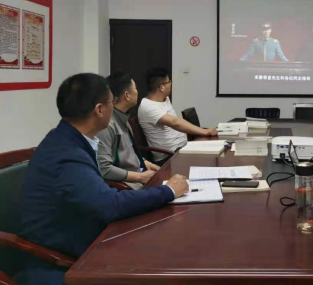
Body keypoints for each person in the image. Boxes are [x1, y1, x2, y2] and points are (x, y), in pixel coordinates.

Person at [16, 73, 189, 285]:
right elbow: (109, 205)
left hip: (79, 239)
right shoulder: (67, 154)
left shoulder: (66, 137)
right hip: (56, 262)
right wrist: (168, 191)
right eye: (111, 102)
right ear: (100, 110)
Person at [138, 67, 217, 162]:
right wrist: (203, 131)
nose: (171, 84)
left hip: (182, 148)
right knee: (209, 160)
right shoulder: (147, 106)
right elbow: (174, 122)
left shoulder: (165, 99)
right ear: (162, 87)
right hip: (168, 156)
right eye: (169, 82)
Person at [97, 72, 159, 190]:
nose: (137, 91)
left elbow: (128, 153)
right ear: (127, 95)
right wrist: (140, 177)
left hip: (139, 178)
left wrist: (146, 163)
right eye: (135, 88)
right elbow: (104, 169)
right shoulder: (107, 125)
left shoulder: (123, 118)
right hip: (130, 187)